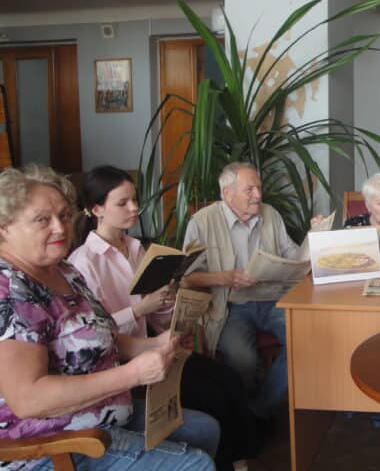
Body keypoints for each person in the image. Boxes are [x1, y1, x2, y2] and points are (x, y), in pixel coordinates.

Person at [0, 165, 216, 471]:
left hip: (104, 414)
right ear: (4, 227)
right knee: (197, 464)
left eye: (64, 215)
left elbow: (100, 336)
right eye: (42, 220)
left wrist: (155, 343)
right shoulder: (10, 290)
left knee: (206, 430)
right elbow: (28, 398)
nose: (60, 228)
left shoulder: (64, 271)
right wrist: (132, 375)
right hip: (52, 444)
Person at [69, 166, 259, 471]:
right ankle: (224, 463)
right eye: (122, 203)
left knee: (229, 379)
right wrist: (140, 309)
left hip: (157, 345)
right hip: (124, 361)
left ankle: (239, 460)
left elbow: (156, 310)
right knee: (212, 396)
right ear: (96, 209)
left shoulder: (136, 248)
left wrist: (172, 307)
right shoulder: (84, 263)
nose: (134, 208)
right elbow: (94, 332)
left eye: (135, 199)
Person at [180, 162, 322, 419]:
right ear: (227, 193)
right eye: (250, 189)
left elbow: (294, 257)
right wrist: (224, 277)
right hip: (231, 306)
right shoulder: (202, 222)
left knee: (305, 341)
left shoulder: (270, 214)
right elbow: (187, 278)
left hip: (274, 299)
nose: (258, 195)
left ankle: (256, 411)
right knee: (242, 359)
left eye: (259, 187)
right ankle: (245, 411)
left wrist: (315, 237)